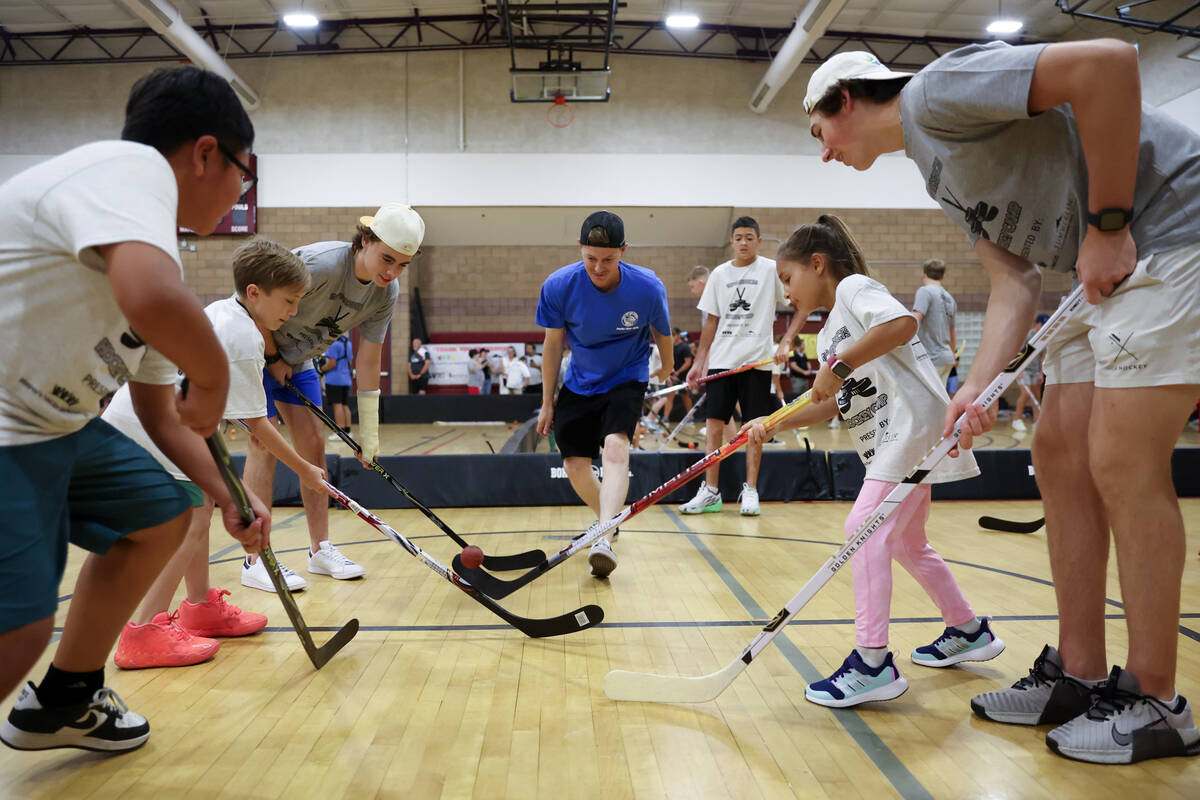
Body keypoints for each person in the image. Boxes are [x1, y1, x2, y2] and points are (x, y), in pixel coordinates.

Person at [804, 42, 1200, 763]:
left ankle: (1156, 700)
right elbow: (1015, 283)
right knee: (1057, 455)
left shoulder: (939, 91)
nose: (824, 152)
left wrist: (1108, 223)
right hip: (1092, 267)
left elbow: (1109, 64)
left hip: (1166, 234)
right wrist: (973, 389)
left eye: (818, 131)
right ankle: (1080, 675)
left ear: (848, 101)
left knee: (1119, 460)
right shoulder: (934, 168)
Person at [0, 65, 269, 753]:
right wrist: (211, 378)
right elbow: (153, 304)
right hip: (8, 431)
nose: (242, 190)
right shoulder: (127, 171)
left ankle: (64, 698)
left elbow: (160, 414)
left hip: (57, 428)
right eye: (245, 171)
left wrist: (227, 495)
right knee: (17, 631)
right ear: (205, 153)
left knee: (160, 514)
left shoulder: (141, 239)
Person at [743, 215, 999, 707]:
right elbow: (828, 401)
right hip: (894, 440)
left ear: (817, 264)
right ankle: (968, 630)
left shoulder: (856, 288)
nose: (786, 293)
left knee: (864, 525)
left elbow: (902, 324)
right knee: (905, 542)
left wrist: (839, 366)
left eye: (788, 279)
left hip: (908, 434)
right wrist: (770, 424)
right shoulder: (834, 326)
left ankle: (873, 662)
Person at [103, 238, 327, 667]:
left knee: (203, 507)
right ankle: (145, 633)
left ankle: (200, 607)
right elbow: (257, 424)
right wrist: (306, 469)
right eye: (289, 301)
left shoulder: (227, 313)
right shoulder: (243, 336)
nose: (294, 313)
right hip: (152, 427)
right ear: (255, 292)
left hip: (160, 419)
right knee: (193, 517)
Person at [246, 204, 426, 587]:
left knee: (313, 447)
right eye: (387, 259)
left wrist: (370, 436)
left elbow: (368, 357)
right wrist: (273, 355)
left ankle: (319, 549)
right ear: (365, 241)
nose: (392, 272)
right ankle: (255, 559)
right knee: (263, 443)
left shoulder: (385, 293)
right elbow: (252, 303)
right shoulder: (321, 265)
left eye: (402, 265)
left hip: (301, 361)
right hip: (255, 351)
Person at [536, 211, 672, 577]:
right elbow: (551, 346)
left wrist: (666, 365)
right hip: (579, 381)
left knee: (615, 447)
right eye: (590, 258)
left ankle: (603, 537)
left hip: (627, 377)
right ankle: (609, 523)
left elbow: (663, 332)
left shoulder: (647, 287)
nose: (599, 268)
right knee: (574, 465)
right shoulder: (558, 285)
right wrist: (547, 402)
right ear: (580, 249)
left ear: (623, 251)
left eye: (608, 260)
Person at [681, 216, 802, 516]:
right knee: (712, 429)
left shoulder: (771, 270)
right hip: (722, 363)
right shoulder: (720, 275)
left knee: (755, 430)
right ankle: (711, 492)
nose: (744, 243)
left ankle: (750, 490)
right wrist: (699, 362)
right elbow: (711, 320)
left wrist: (786, 341)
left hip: (756, 363)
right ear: (732, 242)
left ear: (758, 241)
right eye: (739, 238)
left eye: (750, 237)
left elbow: (802, 304)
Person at [912, 259, 958, 388]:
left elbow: (915, 318)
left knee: (922, 400)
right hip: (947, 357)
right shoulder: (950, 298)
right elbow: (952, 332)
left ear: (924, 274)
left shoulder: (925, 291)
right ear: (943, 276)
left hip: (931, 357)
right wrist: (954, 356)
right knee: (939, 402)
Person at [1012, 313, 1049, 432]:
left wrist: (1041, 373)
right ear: (1037, 324)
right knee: (1026, 394)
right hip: (1024, 369)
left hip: (1035, 370)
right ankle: (1017, 420)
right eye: (1042, 325)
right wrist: (1019, 369)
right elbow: (1019, 351)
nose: (1044, 327)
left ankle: (1037, 421)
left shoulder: (1044, 337)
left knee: (1036, 396)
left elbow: (1043, 355)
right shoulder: (1029, 335)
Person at [320, 334, 354, 438]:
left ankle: (340, 432)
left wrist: (320, 370)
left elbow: (332, 363)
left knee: (337, 405)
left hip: (334, 379)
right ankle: (348, 431)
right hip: (346, 378)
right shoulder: (348, 343)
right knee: (344, 405)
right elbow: (350, 361)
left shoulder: (333, 344)